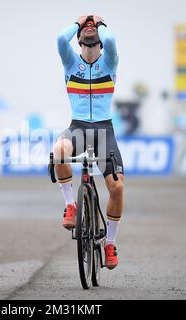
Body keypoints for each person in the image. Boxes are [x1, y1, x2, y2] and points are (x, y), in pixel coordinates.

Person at [54, 15, 124, 270]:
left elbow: (113, 39)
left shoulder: (110, 61)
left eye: (93, 29)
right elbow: (61, 38)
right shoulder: (70, 61)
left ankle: (110, 244)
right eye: (85, 29)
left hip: (105, 130)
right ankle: (71, 205)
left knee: (116, 188)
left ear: (100, 41)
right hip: (78, 127)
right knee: (60, 149)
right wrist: (78, 21)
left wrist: (100, 24)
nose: (89, 29)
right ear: (79, 37)